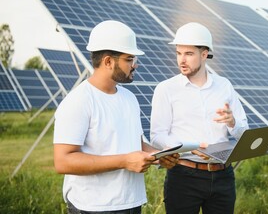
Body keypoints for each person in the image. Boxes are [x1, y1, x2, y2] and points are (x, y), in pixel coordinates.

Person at [53, 20, 179, 213]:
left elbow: (134, 144)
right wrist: (124, 161)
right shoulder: (78, 101)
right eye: (129, 59)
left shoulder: (129, 98)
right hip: (93, 207)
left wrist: (158, 156)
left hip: (131, 203)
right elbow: (63, 161)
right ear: (108, 61)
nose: (135, 65)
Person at [150, 22, 249, 214]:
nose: (181, 60)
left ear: (204, 54)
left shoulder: (224, 85)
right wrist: (189, 147)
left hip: (223, 176)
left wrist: (232, 122)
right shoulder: (166, 89)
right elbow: (157, 136)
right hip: (184, 176)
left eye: (188, 54)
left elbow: (243, 133)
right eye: (179, 53)